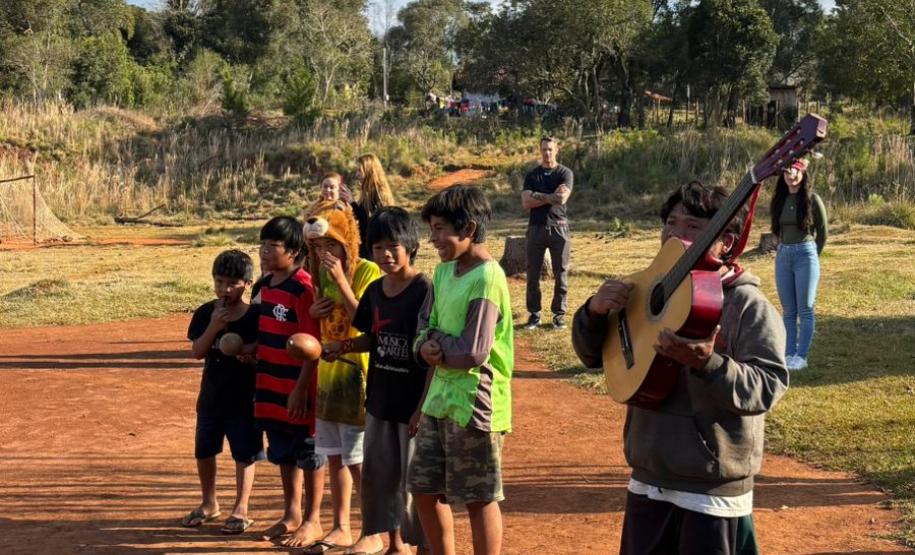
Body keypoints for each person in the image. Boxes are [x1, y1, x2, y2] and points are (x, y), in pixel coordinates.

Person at [571, 181, 789, 555]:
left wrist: (710, 364)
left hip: (711, 495)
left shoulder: (746, 305)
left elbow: (768, 386)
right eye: (670, 222)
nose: (675, 233)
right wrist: (592, 313)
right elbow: (594, 356)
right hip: (647, 478)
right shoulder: (646, 288)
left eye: (692, 226)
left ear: (727, 241)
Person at [410, 184, 514, 555]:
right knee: (423, 487)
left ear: (468, 229)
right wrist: (426, 345)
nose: (433, 238)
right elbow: (424, 326)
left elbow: (474, 352)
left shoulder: (487, 277)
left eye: (440, 229)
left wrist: (433, 347)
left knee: (478, 497)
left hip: (475, 405)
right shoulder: (442, 272)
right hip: (439, 401)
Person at [323, 207, 431, 555]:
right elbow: (371, 334)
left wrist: (422, 408)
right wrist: (344, 346)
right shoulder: (375, 290)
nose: (385, 254)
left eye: (393, 246)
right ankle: (396, 545)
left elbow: (431, 356)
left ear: (411, 246)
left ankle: (427, 546)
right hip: (380, 400)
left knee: (415, 485)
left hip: (412, 405)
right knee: (380, 479)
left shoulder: (424, 289)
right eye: (378, 247)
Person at [301, 207, 382, 554]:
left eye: (331, 245)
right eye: (317, 247)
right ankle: (342, 526)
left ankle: (373, 531)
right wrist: (313, 313)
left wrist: (341, 282)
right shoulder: (318, 274)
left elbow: (365, 321)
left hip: (357, 377)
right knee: (335, 457)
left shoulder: (367, 271)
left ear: (347, 244)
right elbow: (321, 327)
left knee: (359, 461)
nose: (324, 254)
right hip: (328, 376)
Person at [253, 217, 327, 545]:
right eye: (262, 245)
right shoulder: (265, 286)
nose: (265, 252)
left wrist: (300, 389)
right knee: (282, 451)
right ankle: (291, 513)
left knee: (309, 453)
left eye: (273, 246)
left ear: (294, 251)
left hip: (299, 388)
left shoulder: (304, 287)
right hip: (272, 386)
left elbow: (312, 346)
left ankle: (313, 520)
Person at [181, 249, 263, 535]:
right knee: (204, 451)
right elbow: (197, 351)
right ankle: (209, 503)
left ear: (247, 284)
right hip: (211, 398)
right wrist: (214, 326)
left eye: (232, 283)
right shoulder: (206, 312)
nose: (224, 289)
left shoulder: (255, 316)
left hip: (244, 400)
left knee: (245, 454)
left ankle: (241, 507)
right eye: (219, 282)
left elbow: (261, 355)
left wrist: (248, 355)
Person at [770, 158, 827, 371]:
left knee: (805, 309)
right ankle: (789, 353)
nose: (790, 176)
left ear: (803, 174)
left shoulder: (813, 199)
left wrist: (813, 256)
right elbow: (777, 229)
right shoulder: (780, 199)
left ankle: (801, 356)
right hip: (784, 256)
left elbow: (823, 233)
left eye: (794, 171)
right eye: (786, 172)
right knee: (788, 311)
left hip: (806, 254)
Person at [521, 136, 573, 330]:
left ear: (556, 150)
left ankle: (559, 314)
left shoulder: (564, 173)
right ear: (540, 150)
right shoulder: (532, 175)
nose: (547, 153)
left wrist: (538, 195)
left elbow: (561, 198)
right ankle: (534, 314)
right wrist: (550, 196)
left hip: (559, 228)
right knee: (532, 273)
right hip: (535, 228)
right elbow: (526, 202)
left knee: (561, 272)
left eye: (550, 149)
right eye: (544, 149)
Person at [352, 154, 395, 258]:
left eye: (359, 171)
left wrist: (352, 203)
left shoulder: (378, 194)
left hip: (372, 249)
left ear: (369, 171)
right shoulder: (367, 193)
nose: (357, 175)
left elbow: (370, 222)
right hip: (367, 247)